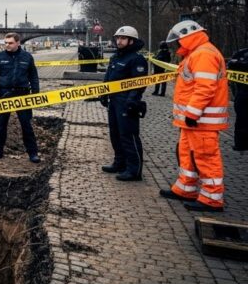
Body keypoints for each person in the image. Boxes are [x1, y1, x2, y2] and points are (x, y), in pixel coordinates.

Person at [158, 20, 228, 212]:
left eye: (179, 41)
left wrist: (192, 113)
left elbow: (205, 88)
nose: (177, 45)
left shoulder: (204, 54)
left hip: (201, 121)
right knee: (187, 154)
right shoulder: (196, 54)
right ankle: (185, 188)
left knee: (206, 157)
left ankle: (212, 198)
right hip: (194, 121)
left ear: (188, 37)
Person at [100, 26, 148, 181]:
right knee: (115, 134)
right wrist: (104, 92)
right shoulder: (116, 57)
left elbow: (139, 83)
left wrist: (132, 101)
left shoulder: (136, 59)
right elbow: (108, 77)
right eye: (117, 38)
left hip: (126, 102)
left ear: (131, 40)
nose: (119, 41)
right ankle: (119, 163)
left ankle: (134, 170)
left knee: (128, 135)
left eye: (122, 38)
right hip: (113, 101)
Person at [0, 32, 40, 163]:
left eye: (10, 43)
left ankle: (33, 153)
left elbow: (33, 77)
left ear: (18, 43)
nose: (7, 45)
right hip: (4, 94)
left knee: (26, 125)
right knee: (1, 125)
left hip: (22, 94)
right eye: (5, 43)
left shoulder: (27, 57)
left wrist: (36, 93)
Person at [229, 47, 248, 153]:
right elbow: (231, 67)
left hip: (242, 92)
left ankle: (240, 144)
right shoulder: (242, 54)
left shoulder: (241, 54)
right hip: (243, 92)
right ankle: (240, 144)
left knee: (241, 120)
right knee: (242, 119)